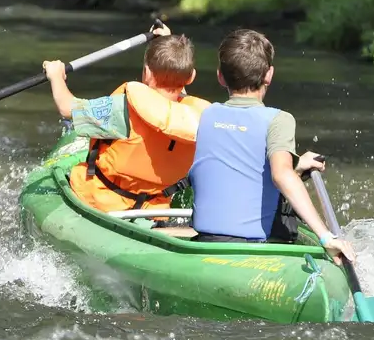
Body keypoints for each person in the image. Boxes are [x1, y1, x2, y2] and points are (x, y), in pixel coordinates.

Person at [188, 28, 355, 265]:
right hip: (256, 249)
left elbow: (239, 163)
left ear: (220, 77)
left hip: (206, 240)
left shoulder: (206, 114)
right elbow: (280, 175)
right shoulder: (279, 119)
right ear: (269, 75)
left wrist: (295, 165)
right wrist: (326, 237)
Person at [41, 23, 211, 213]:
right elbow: (177, 90)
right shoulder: (197, 120)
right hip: (153, 211)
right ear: (191, 77)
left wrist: (56, 76)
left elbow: (67, 108)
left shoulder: (122, 108)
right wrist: (166, 42)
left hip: (101, 202)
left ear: (146, 73)